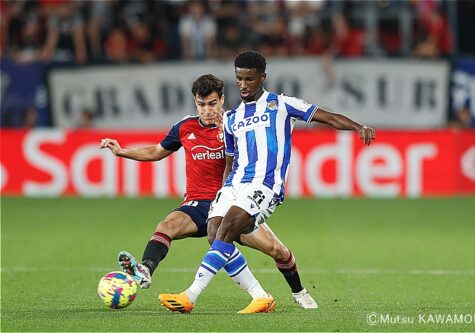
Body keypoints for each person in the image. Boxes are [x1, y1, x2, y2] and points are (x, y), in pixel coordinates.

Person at [159, 50, 376, 314]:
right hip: (235, 183)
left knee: (226, 230)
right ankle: (267, 296)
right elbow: (229, 161)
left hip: (265, 185)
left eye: (249, 79)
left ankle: (190, 296)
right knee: (215, 233)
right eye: (239, 79)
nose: (243, 85)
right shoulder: (231, 118)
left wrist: (357, 126)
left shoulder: (281, 104)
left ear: (262, 77)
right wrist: (224, 191)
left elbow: (327, 117)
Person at [100, 74, 317, 314]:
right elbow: (157, 151)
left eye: (212, 104)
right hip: (197, 204)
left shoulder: (238, 124)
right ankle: (146, 270)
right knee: (167, 226)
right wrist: (121, 152)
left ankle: (299, 292)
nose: (207, 110)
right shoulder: (185, 127)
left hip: (234, 205)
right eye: (201, 104)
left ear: (222, 100)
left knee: (278, 251)